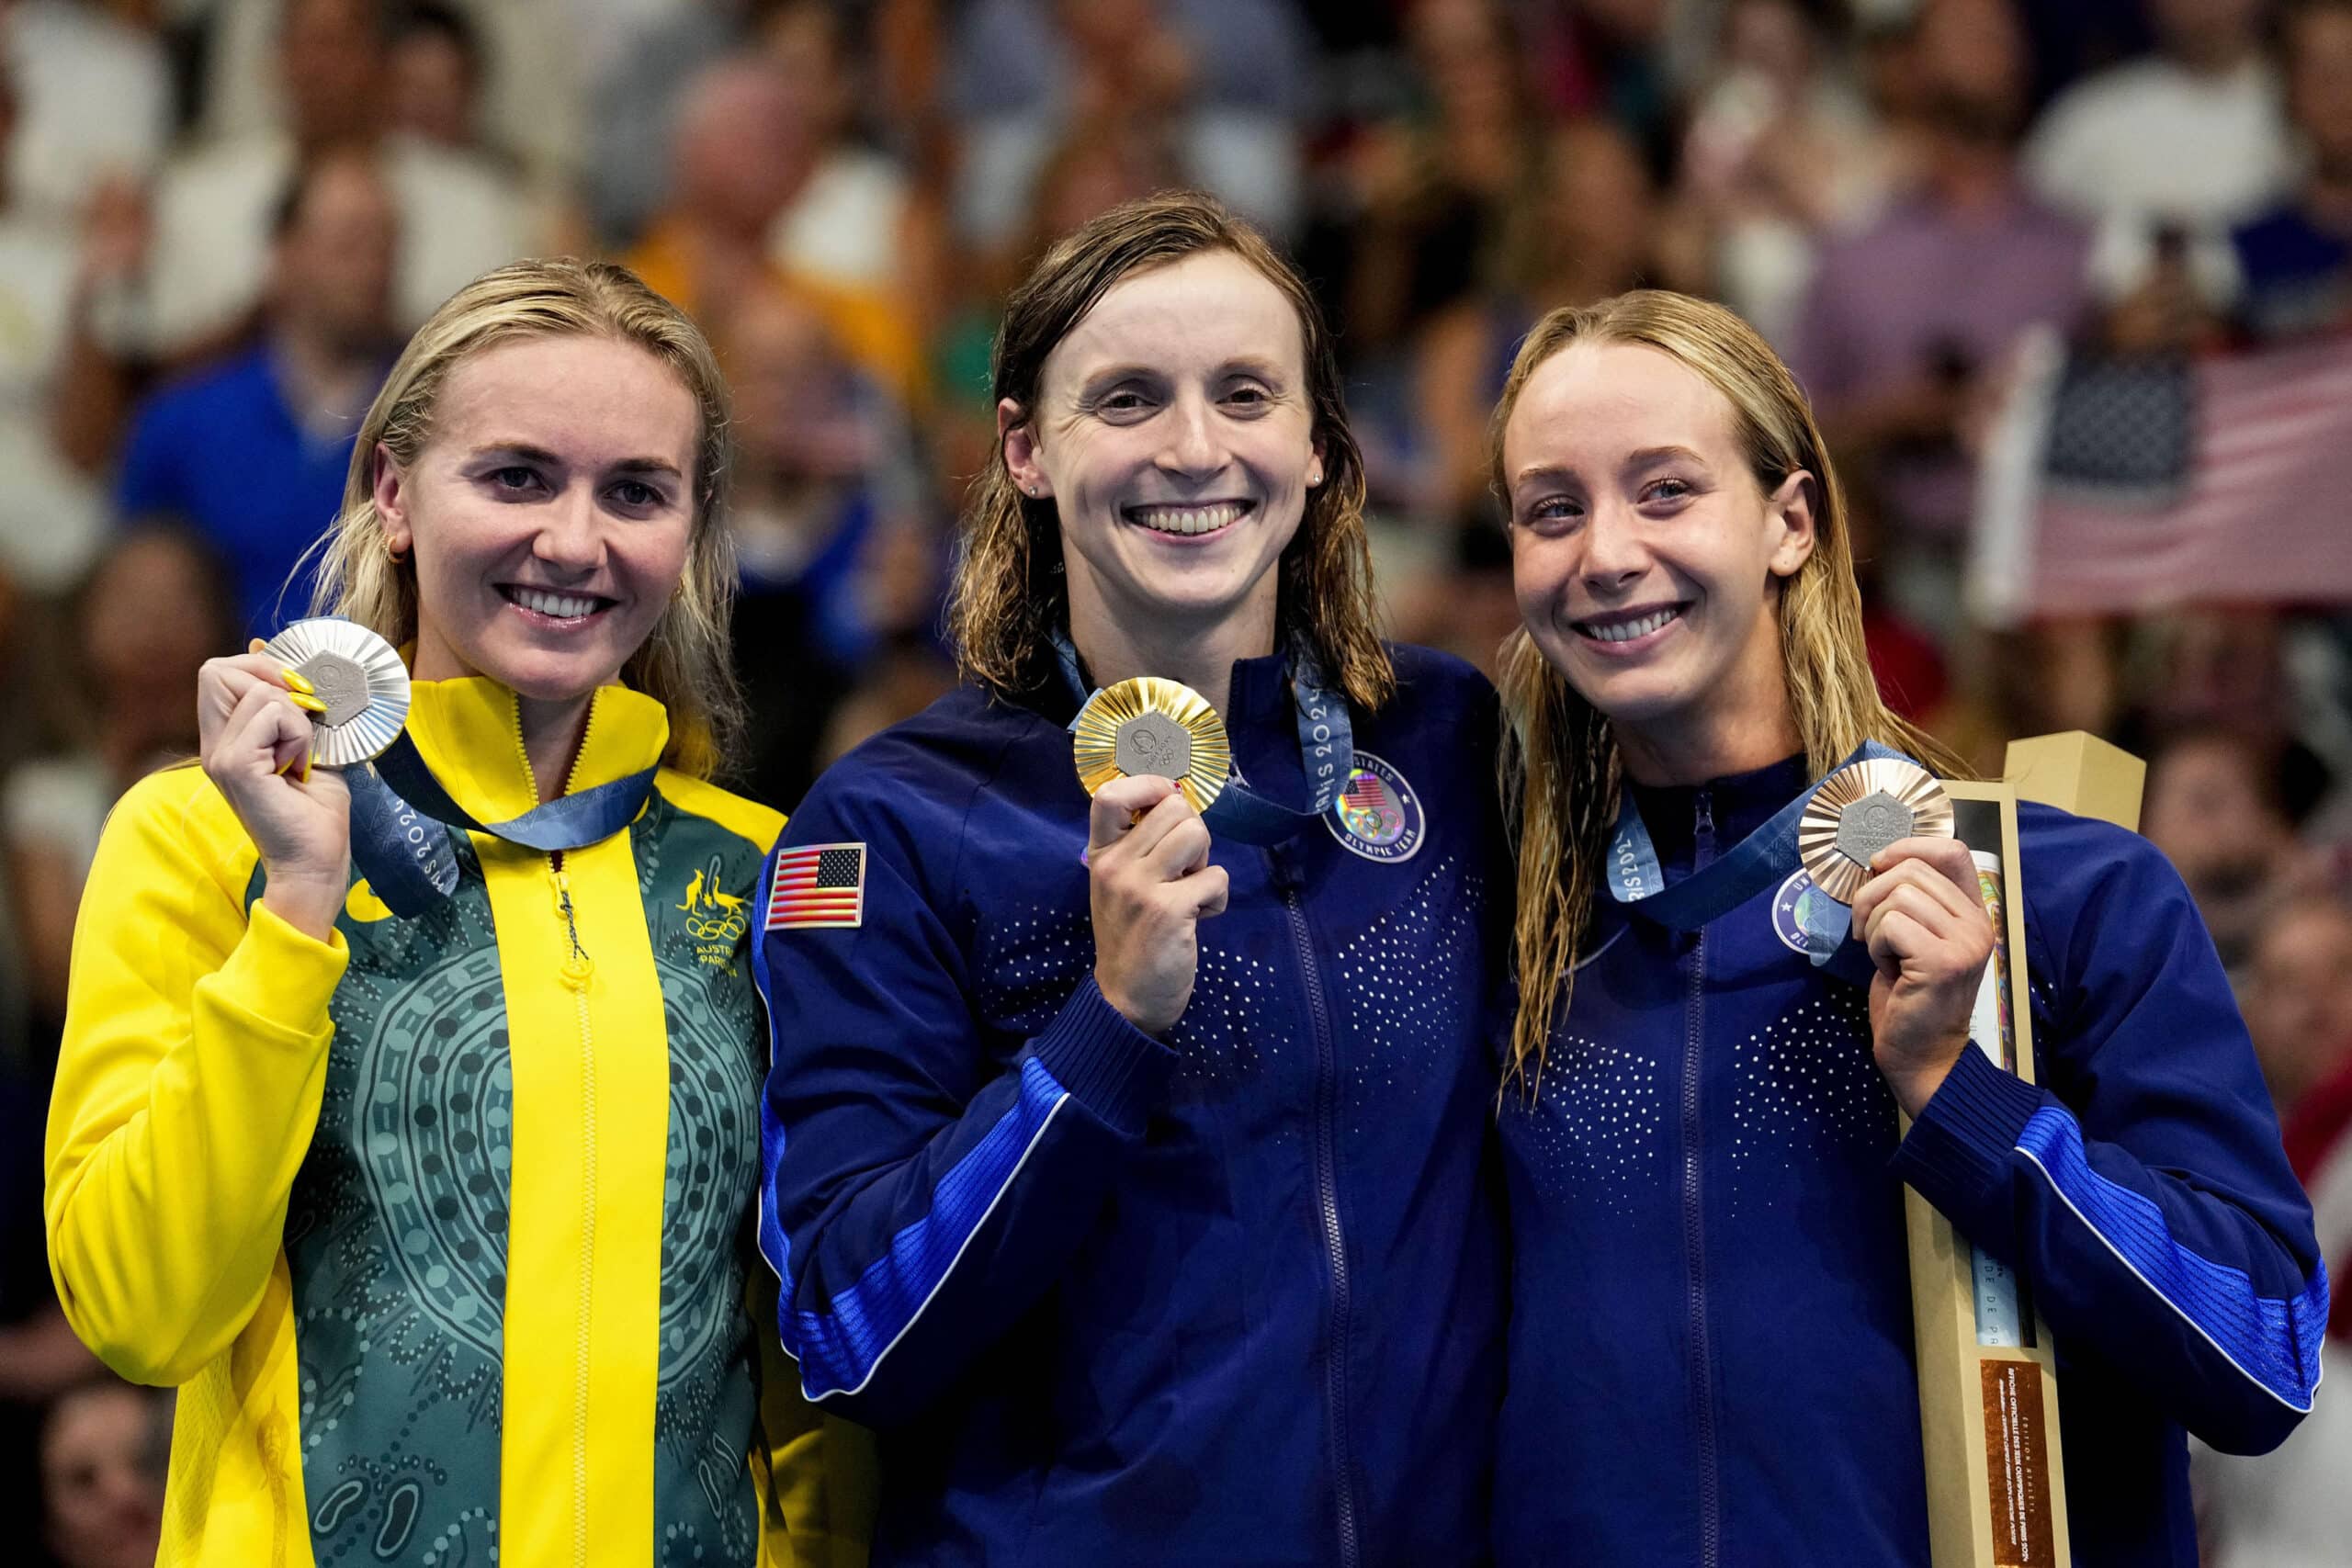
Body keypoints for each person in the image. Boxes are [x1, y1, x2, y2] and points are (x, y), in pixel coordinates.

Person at [1486, 288, 2325, 1565]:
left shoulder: (2065, 893)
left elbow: (2262, 1352)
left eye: (1665, 491)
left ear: (1789, 521)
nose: (1605, 552)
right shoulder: (1528, 938)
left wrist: (1959, 1096)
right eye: (1554, 508)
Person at [46, 258, 859, 1566]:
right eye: (518, 476)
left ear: (691, 532)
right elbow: (144, 1311)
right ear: (395, 492)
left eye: (635, 492)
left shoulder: (758, 875)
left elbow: (803, 1366)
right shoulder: (202, 838)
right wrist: (298, 911)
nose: (576, 542)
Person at [753, 192, 1510, 1566]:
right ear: (1026, 449)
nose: (1193, 447)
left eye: (1244, 393)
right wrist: (1103, 1031)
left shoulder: (1452, 749)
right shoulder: (898, 821)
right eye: (1126, 399)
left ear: (1321, 449)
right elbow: (850, 1331)